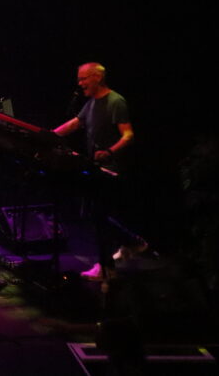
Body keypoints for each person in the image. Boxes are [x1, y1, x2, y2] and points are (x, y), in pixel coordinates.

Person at [53, 62, 140, 280]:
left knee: (98, 215)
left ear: (97, 78)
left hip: (112, 169)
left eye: (83, 78)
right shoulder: (91, 103)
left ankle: (108, 266)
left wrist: (110, 152)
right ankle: (131, 242)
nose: (80, 83)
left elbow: (128, 135)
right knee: (96, 214)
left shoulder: (116, 101)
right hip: (97, 169)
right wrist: (47, 136)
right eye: (79, 79)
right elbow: (75, 124)